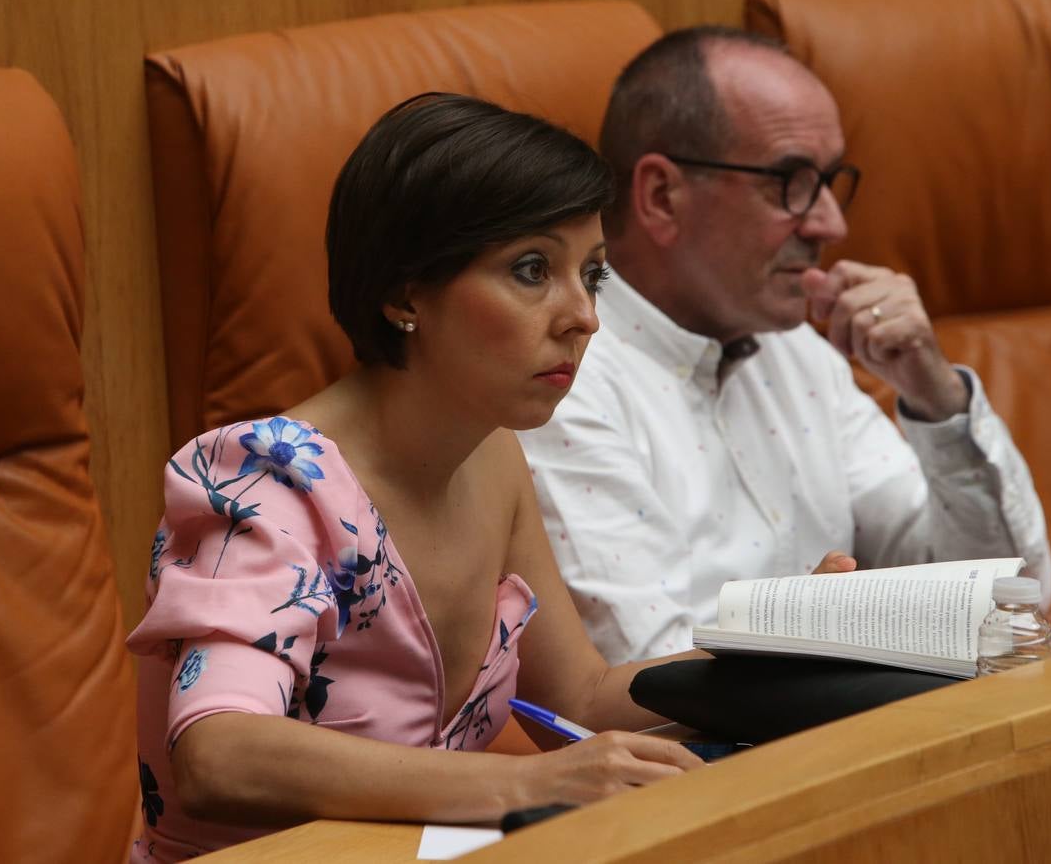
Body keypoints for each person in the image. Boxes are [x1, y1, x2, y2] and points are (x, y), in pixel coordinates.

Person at [126, 93, 705, 863]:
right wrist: (527, 787)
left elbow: (583, 699)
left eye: (591, 274)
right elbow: (219, 751)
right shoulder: (269, 477)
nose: (583, 316)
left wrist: (771, 654)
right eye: (533, 270)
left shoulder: (491, 454)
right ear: (405, 295)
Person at [518, 27, 1051, 665]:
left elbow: (1009, 601)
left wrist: (936, 397)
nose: (832, 223)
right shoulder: (562, 377)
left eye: (831, 181)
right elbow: (643, 676)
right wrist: (831, 624)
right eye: (791, 181)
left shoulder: (796, 350)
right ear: (663, 197)